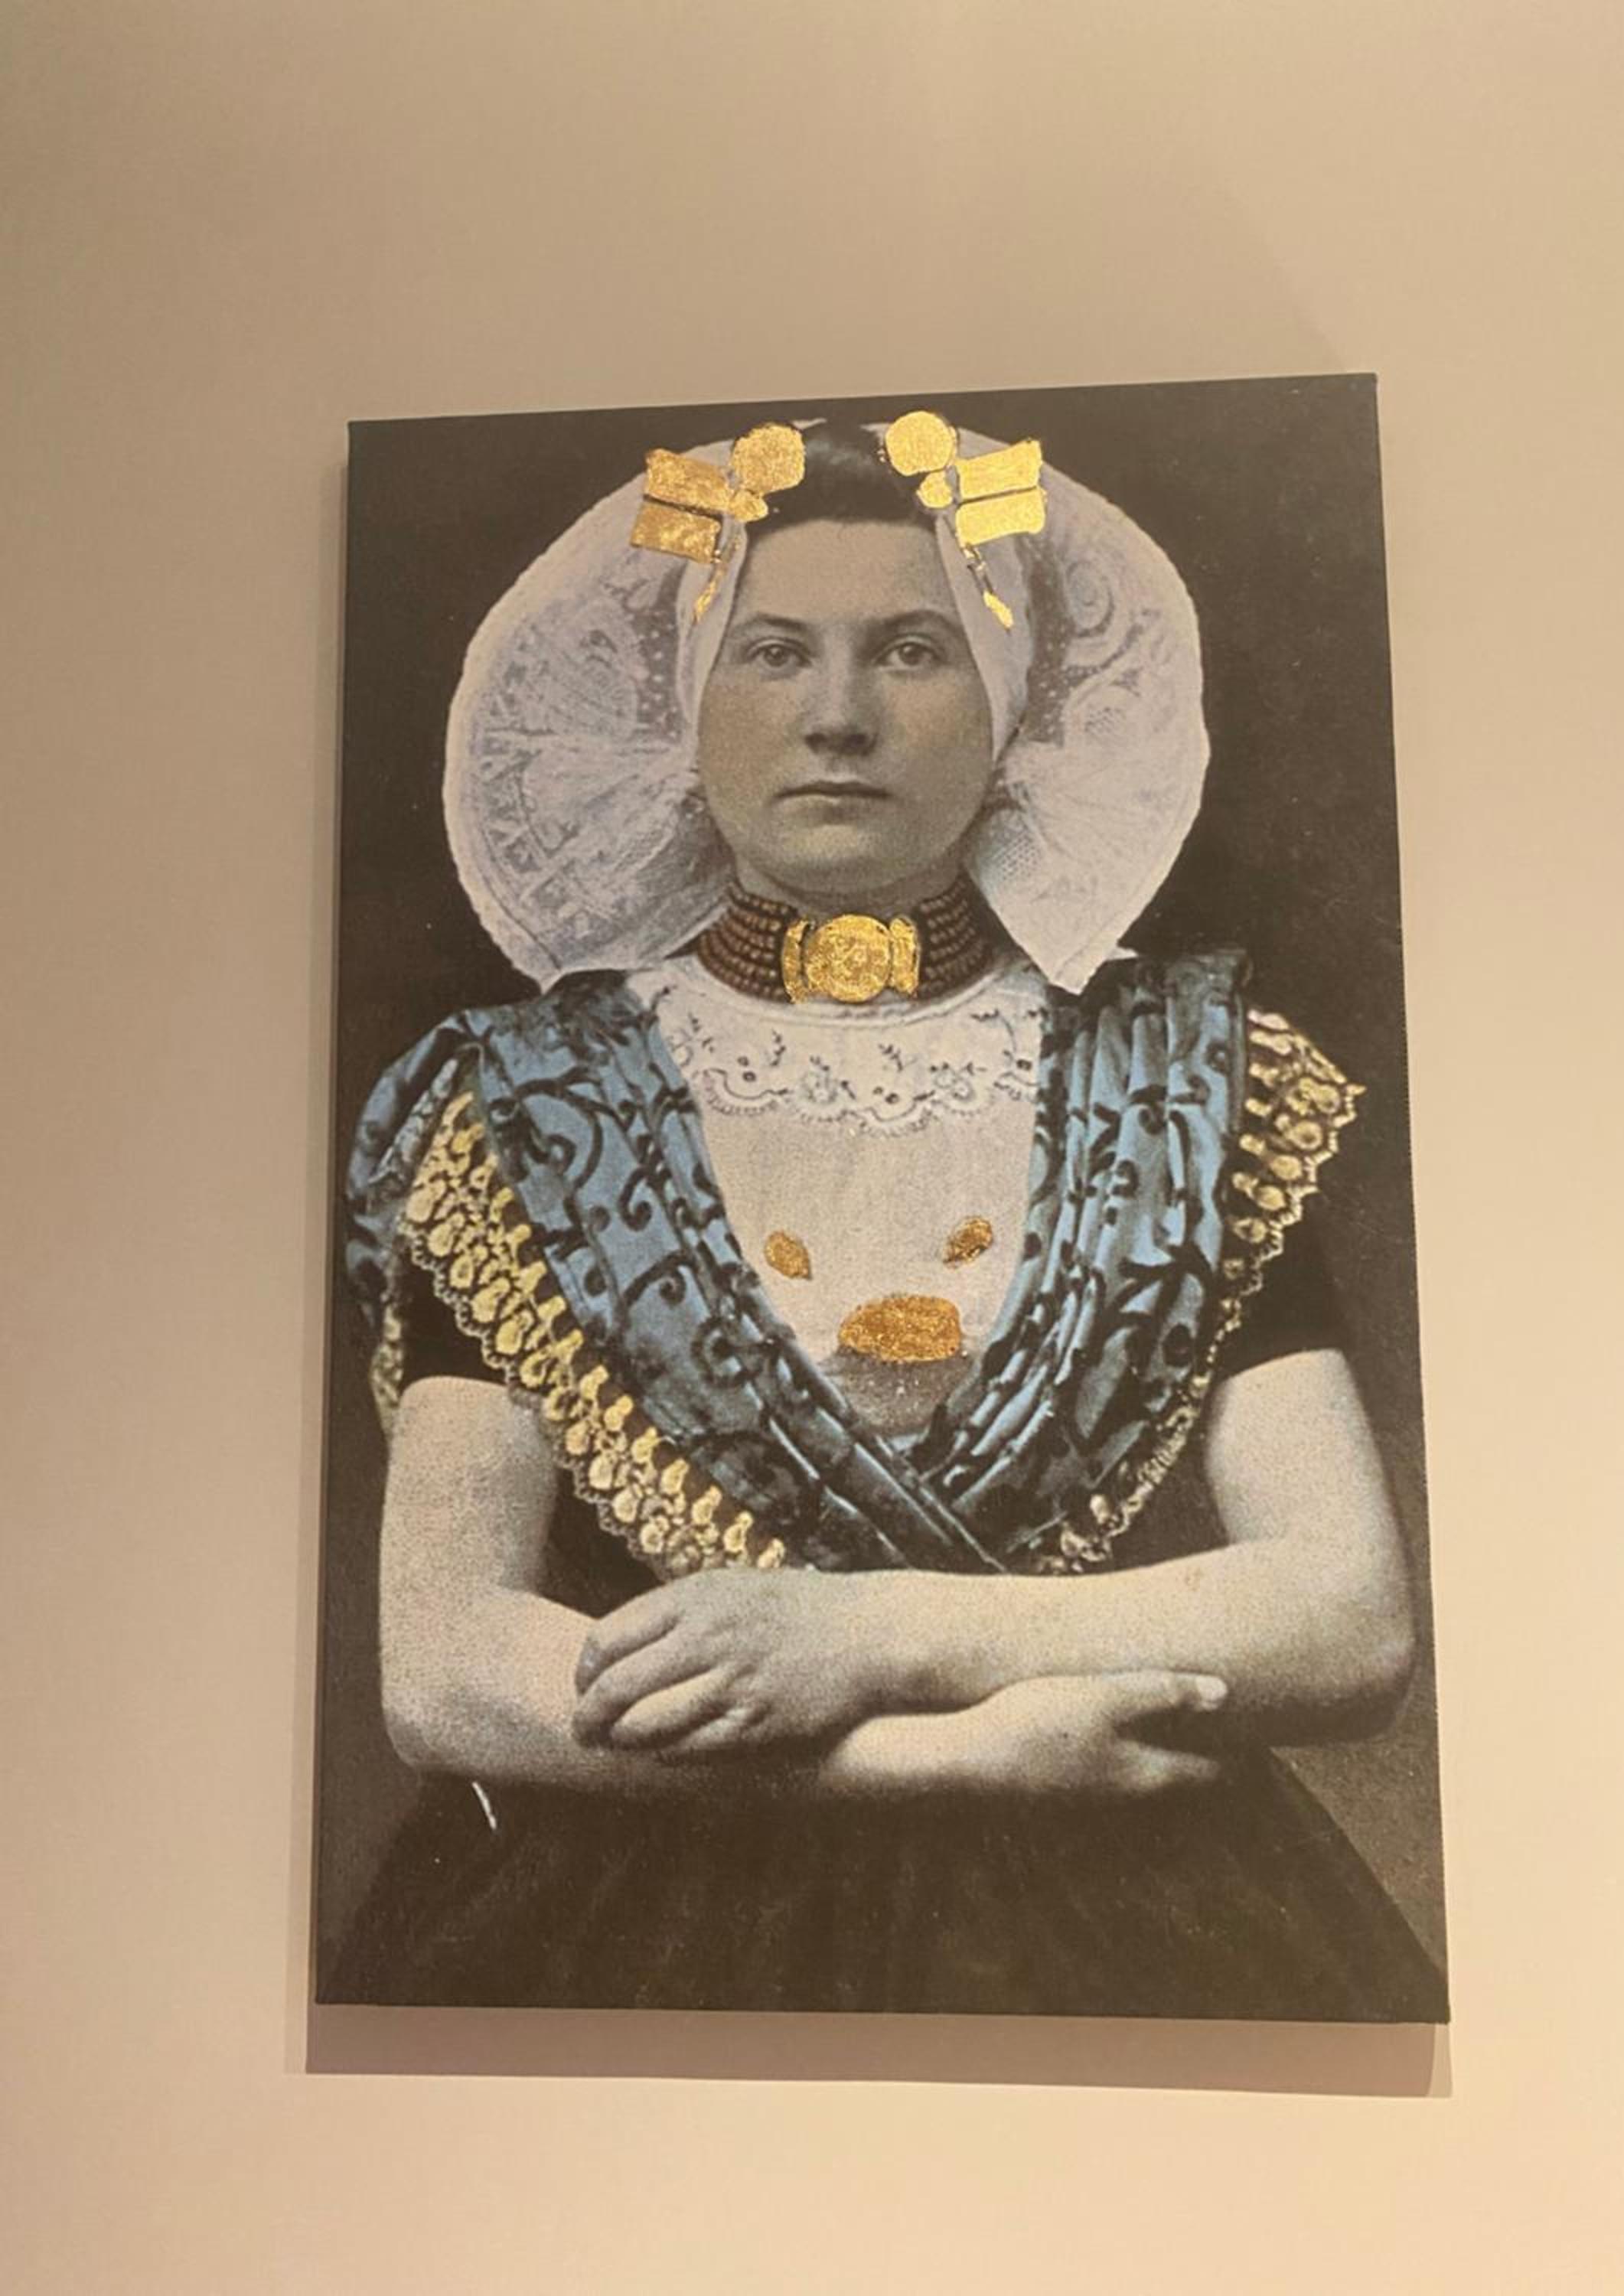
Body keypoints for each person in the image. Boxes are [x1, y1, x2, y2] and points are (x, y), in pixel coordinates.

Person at [329, 412, 1447, 2018]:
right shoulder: (524, 1102)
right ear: (680, 704)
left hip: (1120, 1905)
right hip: (639, 1908)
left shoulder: (1184, 1082)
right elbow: (441, 1667)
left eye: (914, 652)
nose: (838, 717)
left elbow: (1345, 1618)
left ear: (1015, 707)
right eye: (773, 652)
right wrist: (947, 1761)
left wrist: (876, 1637)